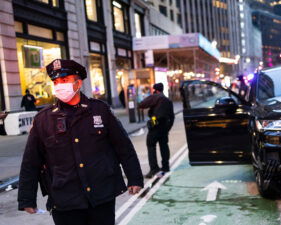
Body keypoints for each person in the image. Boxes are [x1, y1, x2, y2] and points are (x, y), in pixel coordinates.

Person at [18, 59, 143, 225]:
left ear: (78, 82)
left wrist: (134, 178)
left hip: (101, 195)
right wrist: (26, 198)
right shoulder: (44, 119)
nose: (59, 85)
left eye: (64, 80)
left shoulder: (99, 110)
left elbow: (123, 147)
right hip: (64, 200)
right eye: (56, 81)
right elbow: (31, 160)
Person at [138, 83, 174, 178]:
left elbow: (141, 104)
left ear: (155, 90)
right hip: (164, 126)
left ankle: (154, 169)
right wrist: (168, 128)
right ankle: (165, 166)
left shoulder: (155, 97)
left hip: (155, 125)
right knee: (164, 146)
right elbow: (172, 116)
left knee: (151, 146)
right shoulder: (167, 100)